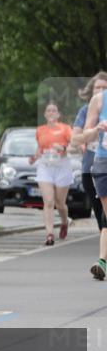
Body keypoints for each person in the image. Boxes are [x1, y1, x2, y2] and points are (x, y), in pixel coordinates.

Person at [72, 74, 107, 266]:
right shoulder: (88, 110)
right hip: (93, 166)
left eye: (104, 87)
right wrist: (93, 132)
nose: (100, 91)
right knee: (102, 213)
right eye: (97, 88)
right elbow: (75, 138)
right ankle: (103, 259)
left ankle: (103, 260)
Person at [30, 102, 73, 246]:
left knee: (60, 203)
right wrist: (34, 157)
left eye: (54, 110)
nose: (51, 113)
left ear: (58, 114)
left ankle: (64, 222)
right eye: (49, 111)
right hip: (45, 166)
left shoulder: (65, 129)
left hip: (62, 166)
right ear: (45, 114)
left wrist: (63, 147)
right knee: (48, 202)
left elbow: (73, 145)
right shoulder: (40, 130)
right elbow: (39, 149)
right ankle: (49, 234)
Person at [81, 87, 107, 281]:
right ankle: (103, 263)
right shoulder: (99, 100)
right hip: (103, 161)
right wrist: (97, 129)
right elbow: (85, 135)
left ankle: (102, 262)